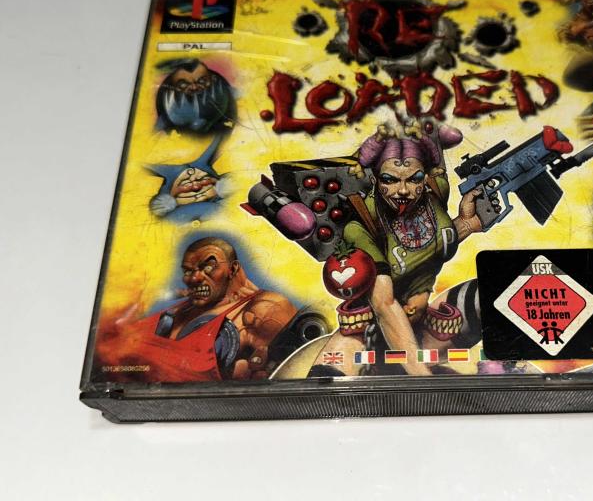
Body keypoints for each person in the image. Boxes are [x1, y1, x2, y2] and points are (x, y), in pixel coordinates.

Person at [308, 123, 483, 377]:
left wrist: (465, 224)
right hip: (371, 335)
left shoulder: (436, 191)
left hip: (426, 326)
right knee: (325, 383)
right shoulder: (360, 227)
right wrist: (422, 378)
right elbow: (384, 304)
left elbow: (429, 246)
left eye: (414, 179)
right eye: (390, 180)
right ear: (375, 178)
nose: (403, 190)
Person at [95, 237, 297, 381]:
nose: (194, 278)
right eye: (188, 271)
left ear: (233, 268)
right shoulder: (180, 308)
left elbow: (293, 371)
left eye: (208, 267)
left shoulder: (264, 309)